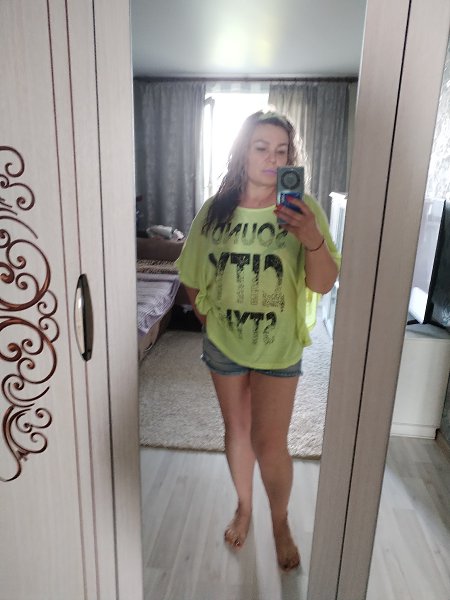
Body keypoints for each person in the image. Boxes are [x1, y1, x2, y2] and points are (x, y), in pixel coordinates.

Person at [175, 110, 340, 572]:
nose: (272, 159)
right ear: (243, 153)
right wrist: (209, 320)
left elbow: (323, 283)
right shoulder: (216, 209)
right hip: (224, 346)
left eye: (281, 151)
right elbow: (192, 273)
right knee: (237, 431)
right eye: (261, 148)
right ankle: (244, 507)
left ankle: (280, 521)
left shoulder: (304, 210)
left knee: (271, 443)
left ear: (291, 159)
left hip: (277, 348)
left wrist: (310, 238)